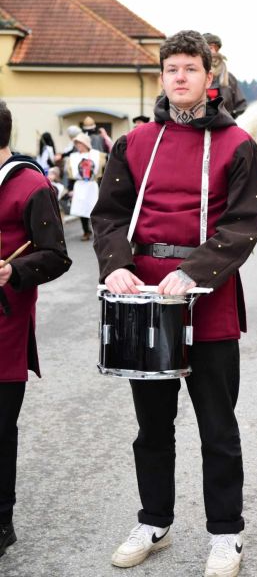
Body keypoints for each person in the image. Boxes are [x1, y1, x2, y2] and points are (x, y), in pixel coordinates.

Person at [91, 30, 257, 576]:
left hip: (209, 299)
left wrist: (192, 272)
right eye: (172, 69)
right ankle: (154, 522)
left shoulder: (238, 144)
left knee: (218, 427)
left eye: (191, 68)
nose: (181, 77)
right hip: (145, 301)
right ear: (162, 76)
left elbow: (245, 224)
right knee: (152, 427)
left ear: (209, 77)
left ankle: (226, 533)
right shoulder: (134, 143)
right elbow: (109, 215)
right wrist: (115, 265)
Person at [0, 100, 72, 558]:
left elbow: (57, 256)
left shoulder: (31, 184)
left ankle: (1, 521)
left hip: (4, 321)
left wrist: (14, 270)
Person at [66, 132, 106, 241]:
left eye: (80, 143)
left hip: (92, 185)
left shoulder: (97, 155)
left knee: (94, 209)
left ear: (86, 144)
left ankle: (98, 232)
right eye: (77, 144)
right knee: (82, 210)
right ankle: (86, 231)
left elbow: (103, 173)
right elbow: (71, 175)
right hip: (80, 185)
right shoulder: (74, 157)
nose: (78, 146)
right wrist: (70, 188)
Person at [202, 33, 247, 119]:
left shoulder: (229, 78)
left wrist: (231, 117)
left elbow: (241, 104)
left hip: (224, 123)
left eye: (215, 48)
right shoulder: (194, 78)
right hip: (200, 124)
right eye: (209, 48)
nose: (213, 52)